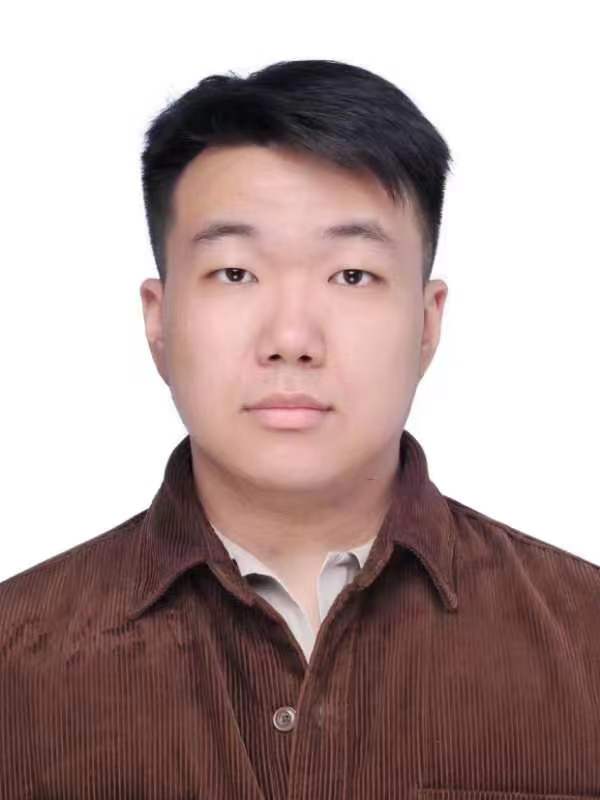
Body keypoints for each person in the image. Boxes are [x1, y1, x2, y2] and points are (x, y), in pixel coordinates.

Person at [1, 59, 598, 799]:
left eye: (351, 275)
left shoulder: (586, 638)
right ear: (159, 320)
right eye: (235, 273)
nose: (291, 338)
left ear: (427, 321)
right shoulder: (16, 661)